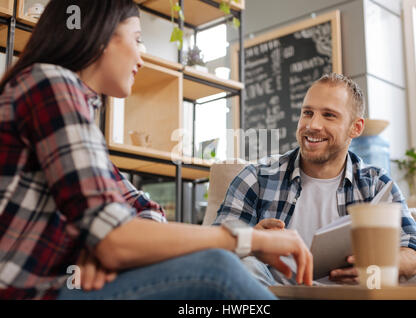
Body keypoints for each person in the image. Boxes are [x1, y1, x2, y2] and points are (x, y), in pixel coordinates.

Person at [0, 0, 314, 300]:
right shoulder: (51, 84)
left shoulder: (73, 104)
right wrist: (250, 240)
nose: (141, 56)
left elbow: (142, 208)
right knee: (217, 270)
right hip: (23, 290)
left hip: (55, 285)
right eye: (137, 39)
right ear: (101, 35)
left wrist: (104, 245)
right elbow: (114, 237)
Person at [213, 73, 416, 286]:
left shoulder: (375, 184)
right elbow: (213, 252)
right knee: (247, 266)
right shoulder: (256, 177)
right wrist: (251, 240)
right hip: (275, 292)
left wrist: (380, 265)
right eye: (308, 112)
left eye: (329, 115)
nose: (312, 125)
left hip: (353, 294)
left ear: (355, 128)